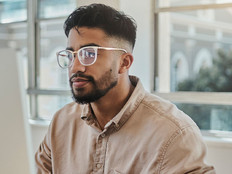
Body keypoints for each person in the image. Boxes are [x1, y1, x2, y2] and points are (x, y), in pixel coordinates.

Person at [35, 3, 215, 174]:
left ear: (124, 63)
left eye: (89, 54)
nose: (75, 67)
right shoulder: (61, 124)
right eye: (71, 55)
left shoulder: (174, 134)